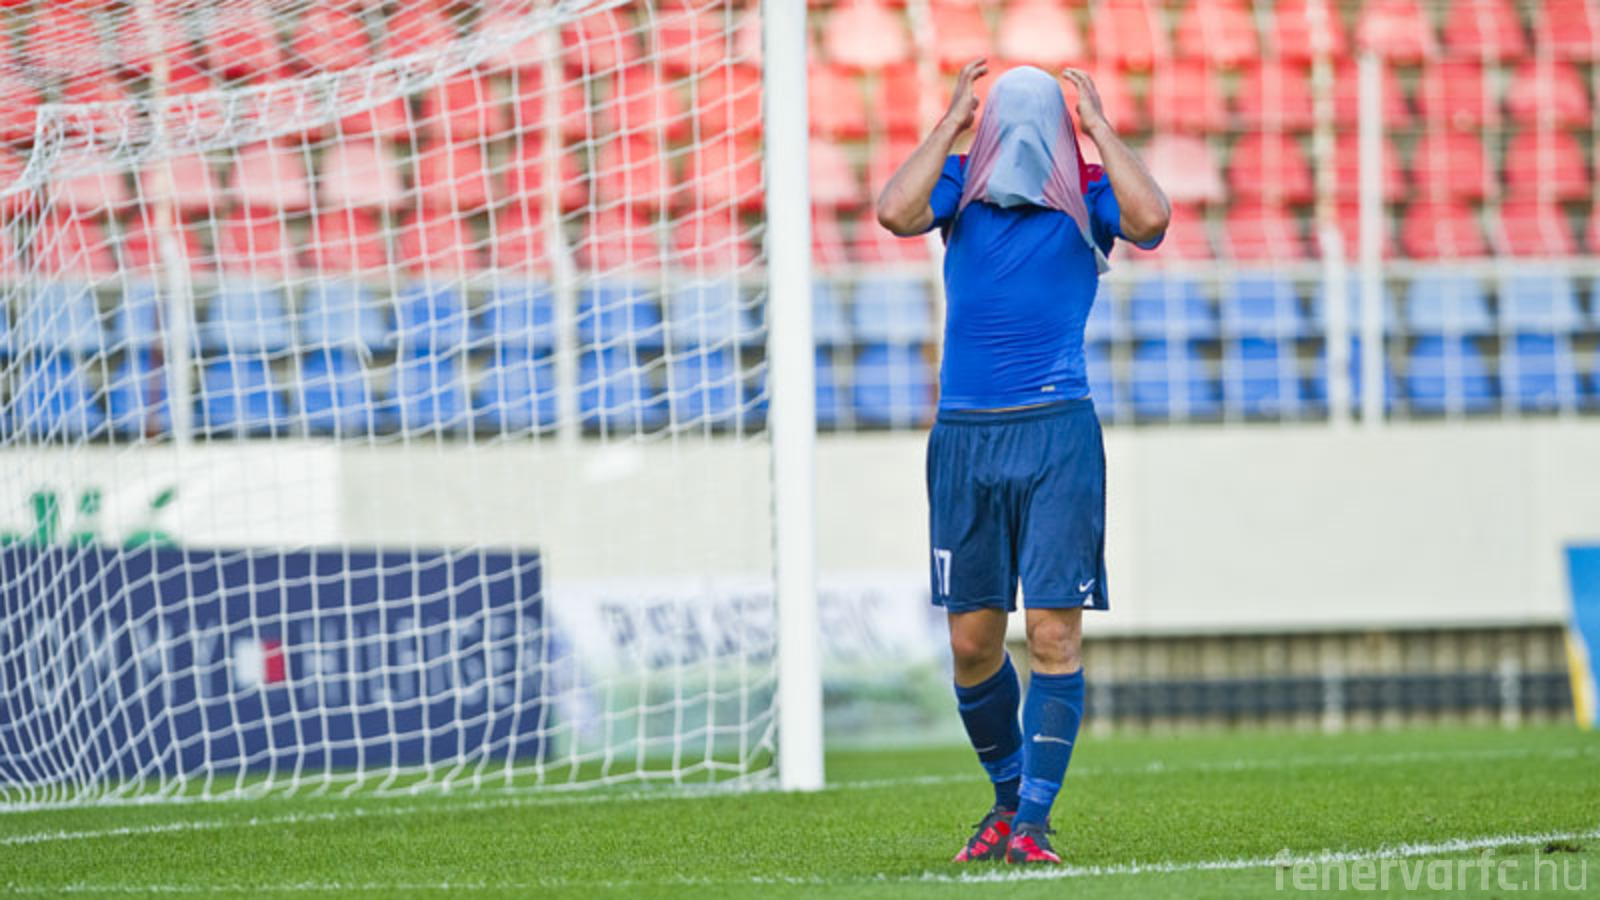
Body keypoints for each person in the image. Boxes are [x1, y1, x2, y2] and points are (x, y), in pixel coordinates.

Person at [875, 61, 1170, 865]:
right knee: (973, 644)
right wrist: (950, 124)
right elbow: (894, 211)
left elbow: (1152, 221)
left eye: (1041, 115)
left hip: (1056, 435)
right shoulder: (959, 187)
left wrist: (1099, 130)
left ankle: (1032, 824)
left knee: (1051, 635)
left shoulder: (1089, 193)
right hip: (965, 438)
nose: (1023, 129)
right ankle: (1007, 802)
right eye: (1008, 114)